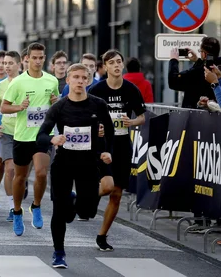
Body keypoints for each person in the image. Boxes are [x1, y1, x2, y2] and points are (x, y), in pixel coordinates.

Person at [37, 63, 114, 269]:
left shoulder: (98, 105)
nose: (80, 81)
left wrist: (107, 151)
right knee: (59, 211)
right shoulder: (59, 107)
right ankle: (59, 252)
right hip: (63, 163)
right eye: (76, 77)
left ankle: (74, 201)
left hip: (88, 163)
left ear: (88, 81)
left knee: (86, 212)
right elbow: (41, 136)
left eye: (84, 78)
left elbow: (110, 132)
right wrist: (53, 140)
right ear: (68, 80)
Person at [89, 50, 146, 251]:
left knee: (117, 193)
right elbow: (86, 116)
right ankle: (87, 198)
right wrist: (97, 127)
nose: (116, 65)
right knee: (106, 186)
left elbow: (142, 116)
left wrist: (132, 121)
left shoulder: (131, 89)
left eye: (119, 62)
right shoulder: (97, 90)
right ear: (105, 67)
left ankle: (102, 236)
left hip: (122, 144)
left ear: (122, 65)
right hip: (102, 146)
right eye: (111, 62)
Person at [1, 42, 59, 236]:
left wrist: (55, 103)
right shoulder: (17, 82)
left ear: (44, 58)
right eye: (34, 58)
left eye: (41, 57)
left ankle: (36, 205)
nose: (37, 61)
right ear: (26, 59)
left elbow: (55, 104)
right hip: (22, 136)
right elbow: (4, 107)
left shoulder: (52, 81)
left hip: (44, 135)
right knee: (20, 177)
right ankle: (17, 211)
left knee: (42, 173)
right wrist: (20, 107)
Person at [0, 50, 22, 220]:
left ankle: (18, 196)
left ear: (19, 64)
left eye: (10, 63)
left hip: (25, 133)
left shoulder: (27, 83)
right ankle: (12, 207)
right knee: (9, 169)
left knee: (21, 172)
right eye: (4, 63)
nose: (6, 66)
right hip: (6, 132)